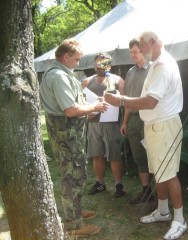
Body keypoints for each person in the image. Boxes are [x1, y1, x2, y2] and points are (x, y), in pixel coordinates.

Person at [104, 31, 187, 240]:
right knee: (158, 172)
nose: (139, 51)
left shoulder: (163, 66)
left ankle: (180, 220)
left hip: (164, 126)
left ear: (152, 42)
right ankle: (162, 211)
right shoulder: (156, 63)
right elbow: (146, 99)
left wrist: (121, 100)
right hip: (154, 126)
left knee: (168, 174)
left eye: (141, 47)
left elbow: (150, 101)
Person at [39, 39, 106, 237]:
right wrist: (93, 108)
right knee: (71, 176)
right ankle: (74, 225)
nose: (78, 63)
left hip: (70, 135)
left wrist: (89, 111)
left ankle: (75, 212)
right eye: (76, 59)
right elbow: (70, 110)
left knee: (77, 174)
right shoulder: (59, 76)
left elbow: (75, 105)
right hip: (66, 136)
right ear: (66, 57)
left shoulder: (62, 74)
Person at [81, 52, 126, 198]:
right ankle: (100, 183)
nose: (101, 66)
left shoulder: (118, 80)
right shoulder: (87, 82)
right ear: (94, 65)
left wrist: (110, 101)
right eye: (98, 63)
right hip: (93, 124)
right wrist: (89, 111)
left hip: (111, 124)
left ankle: (119, 185)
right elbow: (81, 103)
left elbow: (124, 102)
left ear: (109, 65)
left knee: (114, 155)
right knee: (97, 155)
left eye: (104, 63)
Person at [120, 38, 154, 204]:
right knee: (139, 156)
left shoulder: (153, 69)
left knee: (153, 154)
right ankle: (146, 191)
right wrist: (125, 122)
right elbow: (127, 101)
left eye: (135, 52)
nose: (132, 55)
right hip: (133, 119)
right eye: (131, 52)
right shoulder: (130, 72)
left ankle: (159, 191)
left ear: (143, 51)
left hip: (149, 119)